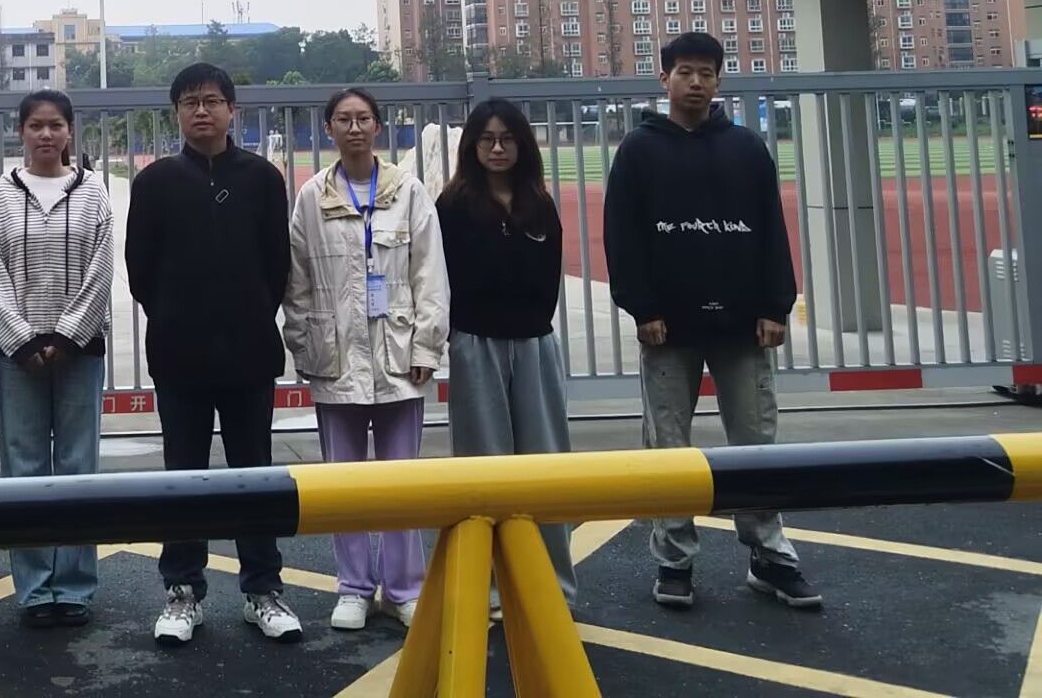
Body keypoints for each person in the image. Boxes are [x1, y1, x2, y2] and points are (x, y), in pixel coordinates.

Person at [604, 31, 823, 611]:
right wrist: (642, 307)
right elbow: (622, 236)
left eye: (706, 72)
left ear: (719, 79)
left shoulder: (747, 148)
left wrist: (775, 305)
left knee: (756, 442)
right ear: (664, 79)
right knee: (668, 446)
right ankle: (674, 559)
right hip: (667, 327)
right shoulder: (639, 151)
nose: (696, 82)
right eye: (685, 72)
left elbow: (771, 229)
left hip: (743, 326)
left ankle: (769, 554)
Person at [126, 62, 303, 646]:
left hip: (249, 353)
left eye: (211, 101)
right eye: (190, 102)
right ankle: (182, 592)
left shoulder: (262, 179)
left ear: (232, 110)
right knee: (183, 475)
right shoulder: (154, 183)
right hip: (179, 354)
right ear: (176, 113)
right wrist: (178, 315)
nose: (201, 111)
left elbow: (277, 264)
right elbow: (139, 270)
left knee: (255, 473)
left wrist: (246, 312)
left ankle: (263, 590)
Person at [285, 87, 448, 633]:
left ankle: (404, 588)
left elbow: (430, 275)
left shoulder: (409, 192)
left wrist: (427, 345)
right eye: (343, 119)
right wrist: (305, 345)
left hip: (400, 357)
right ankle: (353, 586)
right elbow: (298, 281)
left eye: (363, 119)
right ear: (328, 129)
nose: (354, 128)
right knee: (344, 482)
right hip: (336, 357)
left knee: (402, 483)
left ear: (378, 126)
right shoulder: (312, 197)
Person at [0, 90, 115, 628]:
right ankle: (35, 588)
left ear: (70, 131)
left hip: (80, 351)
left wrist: (67, 336)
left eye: (55, 125)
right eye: (35, 125)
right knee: (24, 466)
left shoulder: (94, 192)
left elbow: (101, 269)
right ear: (20, 131)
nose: (45, 134)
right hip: (19, 357)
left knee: (80, 466)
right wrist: (24, 341)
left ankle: (75, 586)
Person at [436, 98, 575, 609]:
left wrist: (532, 327)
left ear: (522, 144)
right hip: (476, 345)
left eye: (508, 138)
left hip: (535, 345)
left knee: (546, 465)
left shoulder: (538, 204)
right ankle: (490, 586)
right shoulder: (452, 206)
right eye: (487, 139)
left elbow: (549, 277)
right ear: (472, 146)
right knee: (484, 468)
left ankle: (552, 586)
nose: (497, 148)